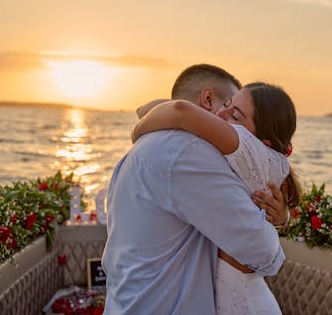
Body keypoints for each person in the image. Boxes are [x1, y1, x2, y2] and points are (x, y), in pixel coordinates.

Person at [101, 65, 289, 314]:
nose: (224, 116)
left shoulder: (150, 143)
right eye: (228, 104)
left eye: (236, 115)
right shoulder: (189, 150)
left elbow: (166, 109)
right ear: (208, 98)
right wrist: (275, 227)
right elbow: (261, 250)